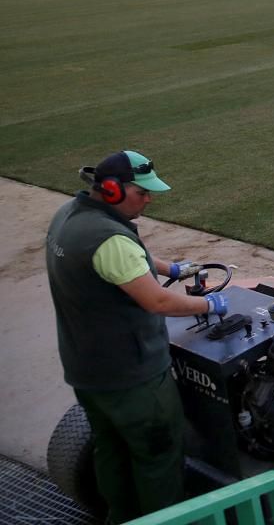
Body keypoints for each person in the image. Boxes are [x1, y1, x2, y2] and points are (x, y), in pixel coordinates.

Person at [45, 150, 228, 523]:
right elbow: (157, 300)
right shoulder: (109, 239)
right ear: (112, 190)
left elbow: (131, 253)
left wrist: (171, 267)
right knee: (158, 458)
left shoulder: (72, 217)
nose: (149, 199)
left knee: (111, 449)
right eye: (141, 192)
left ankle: (120, 516)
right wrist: (211, 306)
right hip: (134, 377)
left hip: (87, 371)